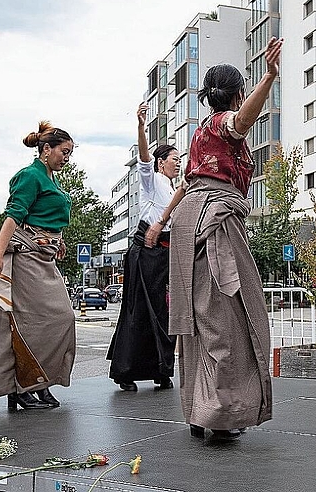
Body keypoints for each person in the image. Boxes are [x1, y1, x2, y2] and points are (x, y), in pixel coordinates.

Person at [168, 37, 283, 440]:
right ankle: (218, 413)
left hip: (190, 222)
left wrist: (160, 221)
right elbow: (242, 121)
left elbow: (185, 183)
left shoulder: (200, 133)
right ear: (236, 93)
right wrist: (269, 77)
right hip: (215, 220)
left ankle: (202, 410)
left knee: (200, 321)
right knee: (227, 319)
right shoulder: (220, 123)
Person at [0, 121, 75, 410]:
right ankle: (20, 387)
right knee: (31, 324)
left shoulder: (49, 178)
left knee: (61, 320)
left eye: (70, 153)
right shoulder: (29, 176)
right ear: (46, 149)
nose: (67, 158)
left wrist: (57, 242)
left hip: (43, 257)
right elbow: (13, 217)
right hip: (25, 260)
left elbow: (48, 220)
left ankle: (39, 382)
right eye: (64, 152)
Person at [106, 103, 180, 392]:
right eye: (174, 158)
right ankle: (126, 371)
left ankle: (161, 369)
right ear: (162, 163)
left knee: (162, 312)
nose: (178, 162)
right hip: (144, 251)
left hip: (163, 253)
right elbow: (144, 157)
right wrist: (141, 126)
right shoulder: (153, 180)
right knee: (139, 310)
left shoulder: (174, 189)